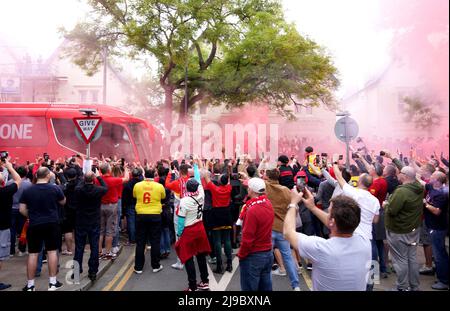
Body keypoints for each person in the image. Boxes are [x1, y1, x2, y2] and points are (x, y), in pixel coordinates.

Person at [285, 188, 372, 291]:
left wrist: (293, 203)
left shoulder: (321, 248)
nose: (327, 214)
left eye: (328, 212)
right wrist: (313, 208)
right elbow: (336, 222)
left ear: (332, 221)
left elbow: (288, 232)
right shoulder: (365, 242)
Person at [19, 167, 66, 291]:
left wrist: (32, 215)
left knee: (33, 254)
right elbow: (63, 202)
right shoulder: (55, 188)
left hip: (35, 224)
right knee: (51, 252)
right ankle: (52, 283)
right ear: (47, 176)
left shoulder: (28, 190)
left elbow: (22, 209)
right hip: (51, 223)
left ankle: (30, 285)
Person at [384, 166, 424, 291]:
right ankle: (414, 286)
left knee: (400, 260)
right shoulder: (419, 187)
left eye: (400, 173)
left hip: (399, 231)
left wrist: (386, 204)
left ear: (405, 176)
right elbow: (410, 172)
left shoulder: (402, 192)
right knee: (411, 258)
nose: (398, 174)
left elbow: (392, 210)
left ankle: (402, 287)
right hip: (413, 230)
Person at [175, 158, 211, 291]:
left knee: (188, 257)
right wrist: (195, 165)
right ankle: (205, 281)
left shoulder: (184, 201)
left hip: (189, 231)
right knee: (201, 256)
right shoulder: (201, 194)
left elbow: (180, 221)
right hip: (200, 227)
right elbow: (197, 178)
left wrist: (179, 234)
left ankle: (192, 286)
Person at [264, 166, 300, 291]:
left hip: (269, 227)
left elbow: (256, 175)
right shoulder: (286, 190)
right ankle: (295, 285)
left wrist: (263, 163)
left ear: (267, 177)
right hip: (282, 228)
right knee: (288, 257)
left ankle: (267, 287)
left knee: (268, 259)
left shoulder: (266, 187)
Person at [237, 178, 274, 291]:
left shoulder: (252, 210)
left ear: (252, 190)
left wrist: (241, 255)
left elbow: (248, 238)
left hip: (254, 255)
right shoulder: (268, 203)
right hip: (267, 252)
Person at [73, 170, 108, 281]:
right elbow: (105, 187)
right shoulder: (98, 190)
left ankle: (76, 272)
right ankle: (93, 271)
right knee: (94, 247)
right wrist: (99, 177)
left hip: (81, 221)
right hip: (94, 222)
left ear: (84, 179)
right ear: (93, 179)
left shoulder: (79, 189)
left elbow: (79, 185)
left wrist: (84, 178)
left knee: (79, 248)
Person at [133, 168, 166, 273]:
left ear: (144, 175)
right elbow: (163, 196)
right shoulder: (159, 186)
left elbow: (134, 196)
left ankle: (138, 267)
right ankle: (155, 266)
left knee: (140, 242)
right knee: (155, 241)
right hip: (155, 215)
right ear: (154, 175)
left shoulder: (137, 185)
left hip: (141, 215)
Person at [204, 167, 233, 274]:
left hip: (216, 213)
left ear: (219, 181)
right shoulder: (229, 188)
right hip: (226, 213)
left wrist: (201, 164)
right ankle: (229, 264)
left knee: (216, 240)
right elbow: (228, 177)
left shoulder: (214, 188)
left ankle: (219, 265)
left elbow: (206, 177)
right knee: (227, 240)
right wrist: (229, 169)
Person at [98, 163, 129, 260]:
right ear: (108, 170)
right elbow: (126, 178)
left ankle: (99, 252)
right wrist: (126, 168)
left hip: (101, 206)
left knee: (101, 230)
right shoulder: (113, 180)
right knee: (109, 230)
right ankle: (107, 252)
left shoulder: (98, 179)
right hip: (111, 206)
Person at [424, 171, 449, 290]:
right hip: (433, 227)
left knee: (439, 255)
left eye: (432, 176)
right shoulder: (431, 187)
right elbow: (418, 178)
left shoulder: (441, 194)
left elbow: (437, 211)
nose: (430, 177)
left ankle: (443, 281)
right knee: (439, 253)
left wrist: (426, 204)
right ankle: (442, 276)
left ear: (438, 181)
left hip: (438, 228)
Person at [0, 159, 21, 290]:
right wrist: (10, 167)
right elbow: (18, 180)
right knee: (0, 256)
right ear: (3, 182)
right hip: (2, 228)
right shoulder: (5, 192)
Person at [165, 163, 190, 270]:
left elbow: (167, 184)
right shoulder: (191, 181)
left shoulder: (176, 183)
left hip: (179, 212)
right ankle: (189, 258)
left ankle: (180, 261)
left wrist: (170, 173)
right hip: (189, 210)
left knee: (178, 236)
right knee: (188, 234)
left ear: (179, 172)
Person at [11, 166, 31, 256]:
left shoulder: (9, 183)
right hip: (23, 209)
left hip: (12, 209)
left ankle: (11, 250)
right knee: (23, 230)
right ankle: (21, 250)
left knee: (12, 230)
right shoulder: (28, 184)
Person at [61, 168, 80, 256]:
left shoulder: (65, 186)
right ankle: (79, 248)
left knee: (68, 230)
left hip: (67, 210)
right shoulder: (80, 185)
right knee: (78, 230)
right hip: (78, 210)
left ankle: (69, 250)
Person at [122, 168, 143, 245]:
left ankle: (132, 239)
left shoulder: (127, 184)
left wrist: (123, 207)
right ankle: (139, 238)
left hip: (130, 204)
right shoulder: (142, 184)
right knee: (139, 222)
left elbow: (124, 197)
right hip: (139, 204)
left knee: (131, 222)